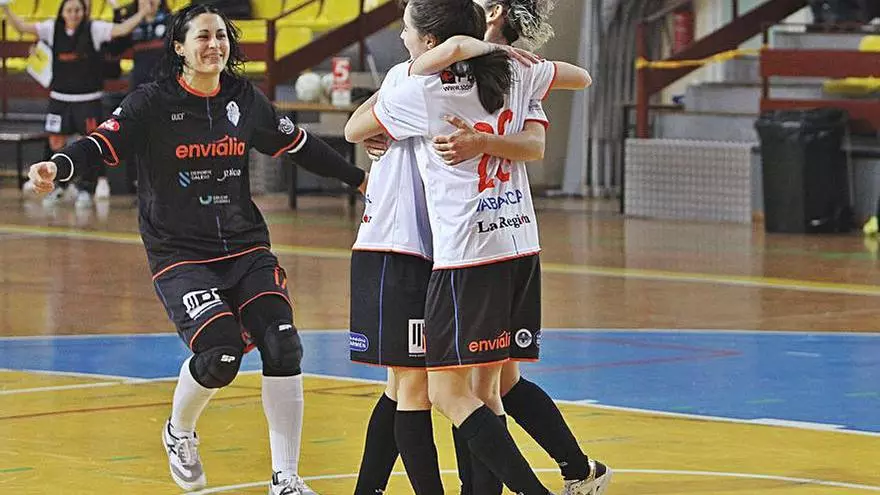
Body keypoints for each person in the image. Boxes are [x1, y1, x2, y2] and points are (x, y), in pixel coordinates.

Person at [27, 4, 367, 495]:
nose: (214, 45)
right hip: (180, 253)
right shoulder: (151, 103)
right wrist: (58, 166)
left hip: (245, 246)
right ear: (179, 48)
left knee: (283, 344)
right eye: (203, 37)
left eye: (221, 36)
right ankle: (179, 431)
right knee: (221, 355)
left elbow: (299, 144)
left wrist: (358, 179)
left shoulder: (243, 99)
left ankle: (286, 479)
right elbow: (100, 144)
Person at [349, 1, 609, 494]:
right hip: (510, 241)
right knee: (481, 386)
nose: (401, 35)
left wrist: (479, 139)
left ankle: (551, 479)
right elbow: (580, 78)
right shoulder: (517, 70)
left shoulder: (427, 84)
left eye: (406, 27)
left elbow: (355, 127)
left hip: (453, 249)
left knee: (439, 389)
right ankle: (576, 470)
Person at [2, 0, 150, 206]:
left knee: (88, 144)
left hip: (87, 99)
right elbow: (20, 27)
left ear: (84, 11)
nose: (73, 14)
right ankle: (59, 186)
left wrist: (142, 14)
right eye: (69, 10)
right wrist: (5, 7)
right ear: (62, 12)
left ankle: (86, 188)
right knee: (55, 143)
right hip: (60, 99)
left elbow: (122, 29)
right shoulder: (51, 29)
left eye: (77, 10)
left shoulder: (94, 29)